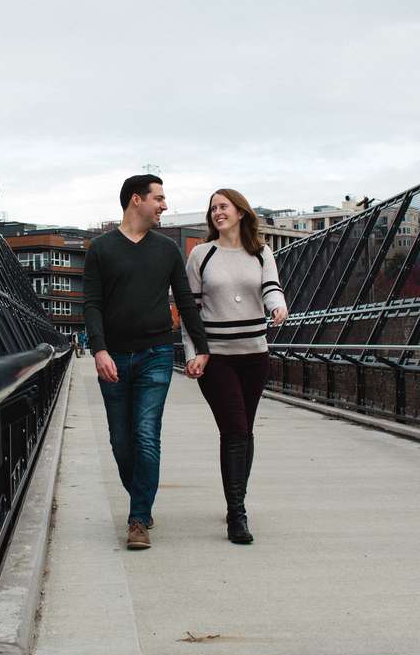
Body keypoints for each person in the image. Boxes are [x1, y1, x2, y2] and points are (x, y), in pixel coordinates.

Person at [84, 174, 211, 550]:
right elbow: (91, 303)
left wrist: (200, 347)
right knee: (121, 442)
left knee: (144, 435)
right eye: (159, 198)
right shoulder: (101, 249)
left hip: (156, 353)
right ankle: (143, 497)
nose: (164, 205)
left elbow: (185, 301)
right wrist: (99, 349)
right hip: (115, 358)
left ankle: (138, 517)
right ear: (136, 200)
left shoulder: (167, 249)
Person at [182, 188, 288, 544]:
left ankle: (234, 501)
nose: (217, 212)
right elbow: (190, 313)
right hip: (218, 357)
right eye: (213, 208)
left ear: (241, 212)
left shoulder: (261, 252)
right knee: (235, 428)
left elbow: (271, 289)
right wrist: (192, 352)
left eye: (223, 206)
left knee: (246, 430)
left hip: (255, 353)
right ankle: (237, 515)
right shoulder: (201, 255)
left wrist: (278, 306)